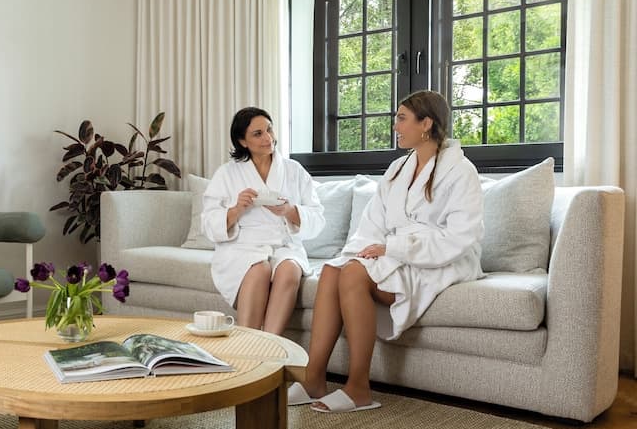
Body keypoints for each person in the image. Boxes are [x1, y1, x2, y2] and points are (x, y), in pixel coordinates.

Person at [294, 90, 484, 412]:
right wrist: (359, 252)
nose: (395, 126)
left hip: (440, 259)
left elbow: (459, 237)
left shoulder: (461, 171)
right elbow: (372, 223)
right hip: (397, 252)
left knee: (352, 275)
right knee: (333, 270)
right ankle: (314, 379)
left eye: (402, 118)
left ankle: (358, 388)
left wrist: (393, 247)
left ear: (426, 123)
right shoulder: (398, 168)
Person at [201, 107, 325, 335]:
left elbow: (318, 217)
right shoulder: (227, 173)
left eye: (269, 129)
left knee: (289, 269)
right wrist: (236, 209)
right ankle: (248, 342)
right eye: (258, 134)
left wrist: (289, 211)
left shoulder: (294, 170)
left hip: (285, 245)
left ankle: (270, 344)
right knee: (259, 269)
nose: (268, 138)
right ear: (243, 141)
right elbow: (208, 223)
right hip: (242, 247)